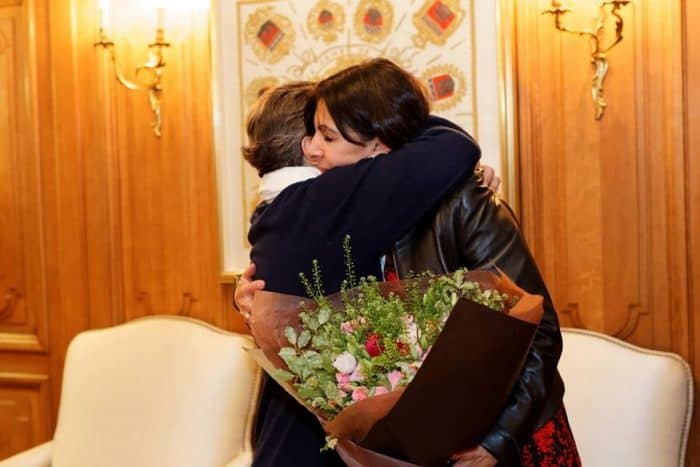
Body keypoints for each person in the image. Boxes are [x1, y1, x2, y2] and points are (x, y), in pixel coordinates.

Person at [239, 59, 580, 466]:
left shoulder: (463, 202)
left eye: (326, 136)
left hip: (504, 436)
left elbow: (536, 328)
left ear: (378, 146)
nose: (311, 149)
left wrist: (499, 439)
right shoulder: (343, 212)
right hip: (416, 446)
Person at [243, 61, 482, 467]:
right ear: (306, 145)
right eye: (321, 131)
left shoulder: (277, 212)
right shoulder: (324, 203)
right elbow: (453, 147)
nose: (321, 144)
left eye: (332, 131)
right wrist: (387, 122)